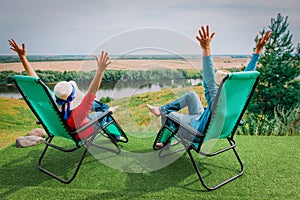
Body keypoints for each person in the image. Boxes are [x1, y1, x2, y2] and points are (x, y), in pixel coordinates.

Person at [147, 25, 271, 146]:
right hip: (208, 122)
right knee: (191, 95)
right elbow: (246, 77)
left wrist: (206, 49)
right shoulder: (238, 98)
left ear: (220, 84)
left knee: (169, 114)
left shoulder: (217, 99)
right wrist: (258, 51)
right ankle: (161, 109)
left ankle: (164, 141)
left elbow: (208, 79)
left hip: (198, 132)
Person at [8, 39, 122, 141]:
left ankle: (106, 110)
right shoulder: (81, 111)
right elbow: (92, 91)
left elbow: (36, 80)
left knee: (97, 105)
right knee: (105, 113)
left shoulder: (51, 104)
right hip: (81, 132)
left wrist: (22, 57)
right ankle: (116, 134)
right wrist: (100, 71)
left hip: (67, 129)